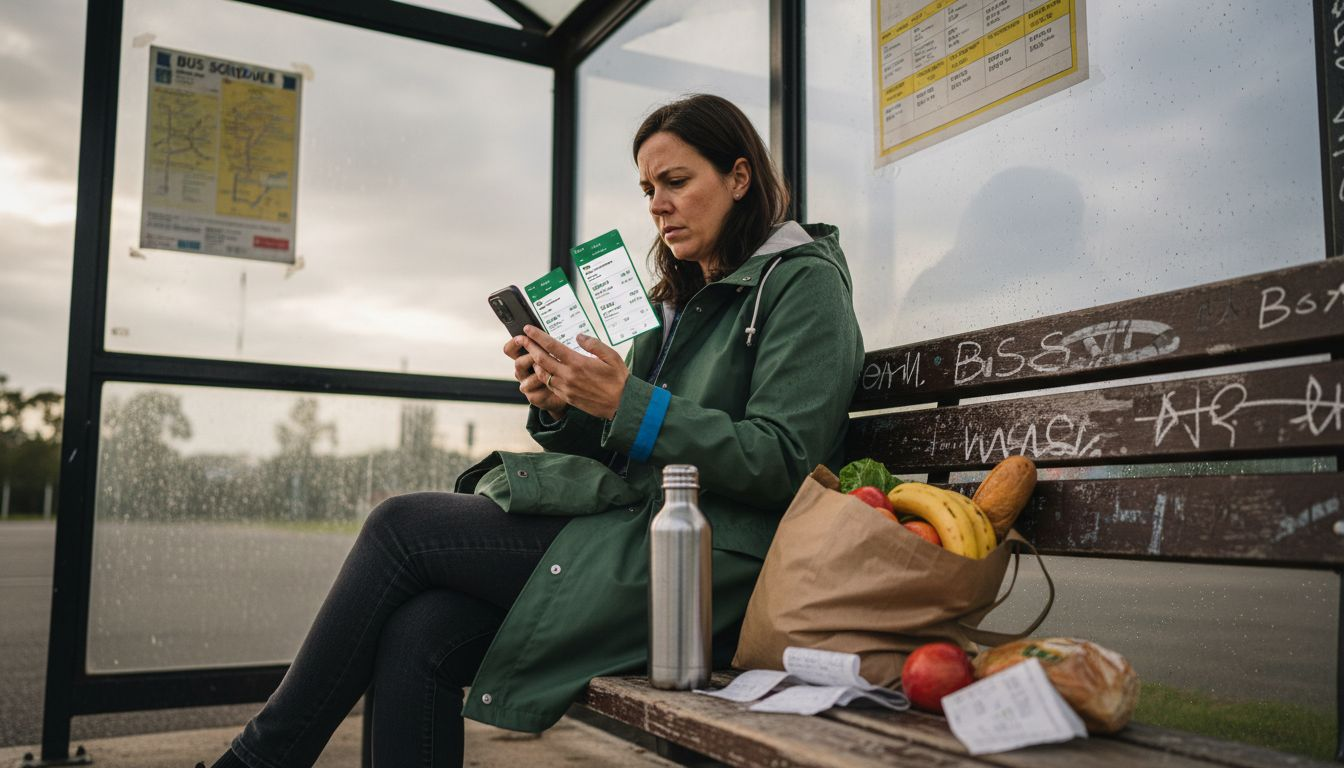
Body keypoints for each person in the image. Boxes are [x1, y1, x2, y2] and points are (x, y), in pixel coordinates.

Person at [204, 93, 863, 768]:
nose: (657, 205)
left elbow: (786, 461)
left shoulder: (800, 284)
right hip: (638, 535)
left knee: (399, 526)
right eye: (646, 189)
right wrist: (565, 405)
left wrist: (624, 403)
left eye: (676, 182)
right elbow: (630, 446)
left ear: (740, 178)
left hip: (709, 565)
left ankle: (258, 760)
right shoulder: (680, 301)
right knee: (418, 630)